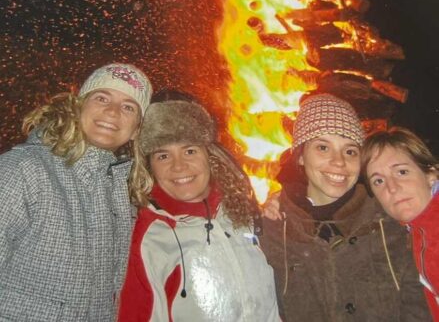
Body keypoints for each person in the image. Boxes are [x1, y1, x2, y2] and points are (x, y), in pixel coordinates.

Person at [0, 63, 152, 321]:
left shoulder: (122, 198)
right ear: (78, 106)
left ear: (136, 129)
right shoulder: (24, 170)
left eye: (128, 106)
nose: (112, 111)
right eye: (101, 98)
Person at [260, 93, 431, 321]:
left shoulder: (387, 219)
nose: (339, 161)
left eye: (350, 151)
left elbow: (418, 306)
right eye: (323, 147)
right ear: (300, 156)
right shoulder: (272, 229)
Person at [118, 98, 280, 321]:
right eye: (163, 156)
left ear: (209, 157)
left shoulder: (241, 214)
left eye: (190, 151)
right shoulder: (148, 238)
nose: (178, 166)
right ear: (150, 167)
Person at [361, 127, 439, 320]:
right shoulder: (408, 231)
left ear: (430, 174)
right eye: (378, 181)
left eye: (402, 172)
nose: (392, 188)